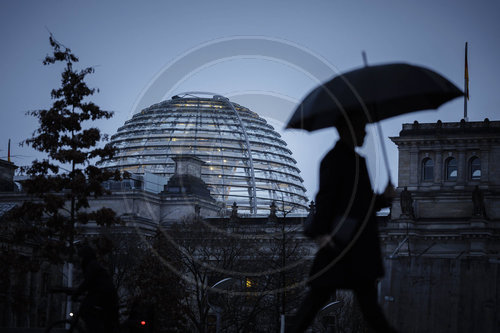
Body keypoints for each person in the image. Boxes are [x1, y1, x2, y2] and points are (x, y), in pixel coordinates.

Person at [291, 116, 398, 333]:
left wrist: (384, 198)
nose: (366, 133)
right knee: (317, 302)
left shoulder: (357, 160)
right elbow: (325, 199)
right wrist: (320, 232)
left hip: (355, 243)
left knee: (365, 306)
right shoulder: (333, 159)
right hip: (340, 242)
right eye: (361, 128)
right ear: (347, 130)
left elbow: (361, 204)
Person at [75, 244, 119, 333]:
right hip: (107, 294)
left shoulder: (91, 266)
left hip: (103, 294)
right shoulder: (94, 265)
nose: (79, 260)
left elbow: (87, 283)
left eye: (80, 257)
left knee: (85, 310)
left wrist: (77, 293)